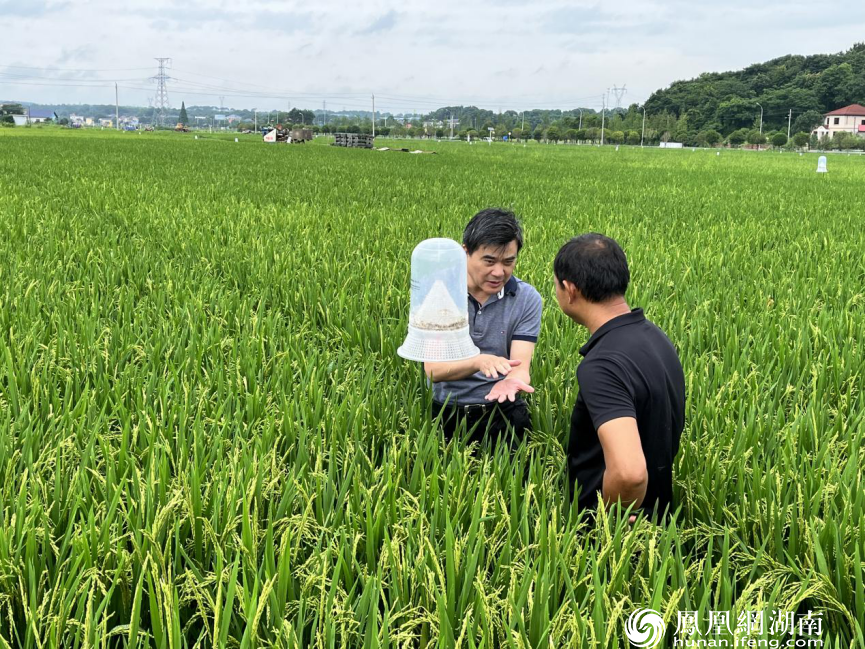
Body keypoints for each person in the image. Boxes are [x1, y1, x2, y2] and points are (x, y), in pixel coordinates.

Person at [553, 233, 685, 521]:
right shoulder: (655, 338)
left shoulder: (602, 366)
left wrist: (611, 525)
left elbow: (629, 473)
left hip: (614, 540)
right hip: (658, 519)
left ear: (570, 289)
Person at [425, 208, 542, 448]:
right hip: (448, 411)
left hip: (504, 409)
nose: (499, 272)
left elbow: (521, 366)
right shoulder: (440, 293)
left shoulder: (527, 298)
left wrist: (513, 380)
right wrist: (478, 362)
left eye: (509, 262)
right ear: (465, 252)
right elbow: (434, 370)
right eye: (489, 261)